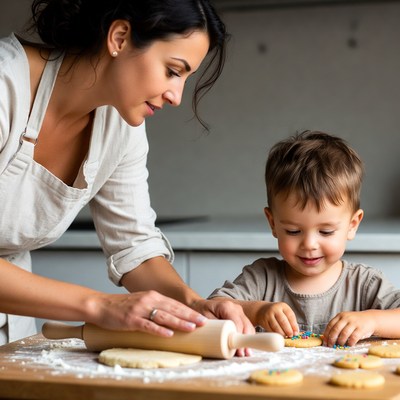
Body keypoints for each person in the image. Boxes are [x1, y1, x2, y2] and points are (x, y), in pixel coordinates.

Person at [0, 0, 254, 349]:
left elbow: (134, 245)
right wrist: (101, 305)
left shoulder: (120, 126)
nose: (177, 96)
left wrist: (193, 305)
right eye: (173, 70)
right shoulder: (5, 86)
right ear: (119, 37)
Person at [209, 131, 400, 347]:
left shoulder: (365, 284)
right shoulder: (261, 279)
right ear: (273, 223)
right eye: (293, 231)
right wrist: (257, 311)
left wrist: (373, 321)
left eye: (326, 232)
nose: (309, 244)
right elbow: (212, 309)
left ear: (352, 225)